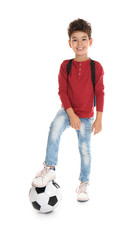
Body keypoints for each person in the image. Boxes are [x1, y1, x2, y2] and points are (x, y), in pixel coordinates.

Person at [32, 18, 105, 202]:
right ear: (69, 43)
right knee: (54, 128)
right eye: (75, 39)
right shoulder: (66, 65)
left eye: (83, 39)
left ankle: (84, 184)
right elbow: (62, 92)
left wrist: (99, 119)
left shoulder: (96, 67)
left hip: (87, 116)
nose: (79, 44)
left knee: (84, 150)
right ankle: (49, 168)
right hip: (67, 111)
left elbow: (100, 92)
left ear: (90, 41)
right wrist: (71, 114)